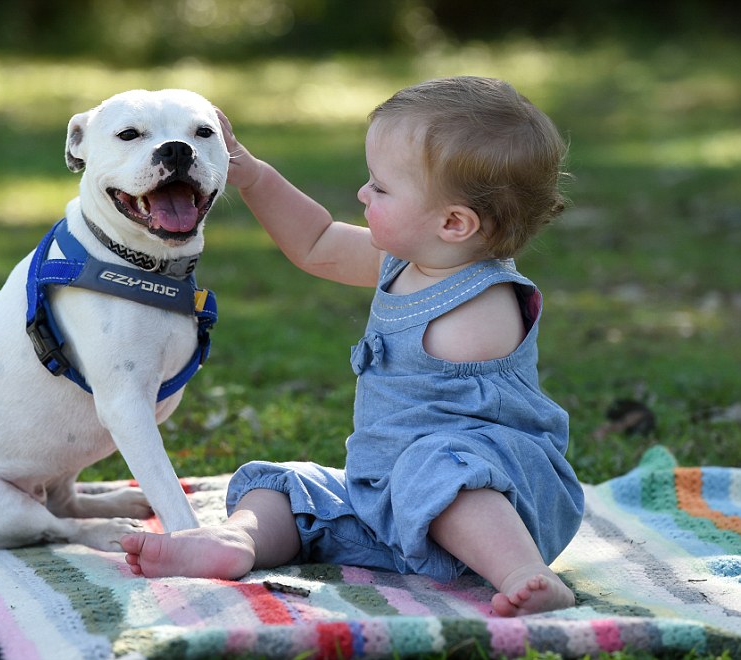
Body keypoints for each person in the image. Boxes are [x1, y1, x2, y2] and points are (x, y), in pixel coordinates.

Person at [120, 76, 585, 617]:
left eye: (381, 188)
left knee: (440, 469)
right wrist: (252, 176)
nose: (363, 194)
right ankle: (237, 542)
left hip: (497, 497)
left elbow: (467, 432)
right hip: (382, 502)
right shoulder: (408, 261)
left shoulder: (484, 304)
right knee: (285, 487)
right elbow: (316, 243)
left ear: (453, 223)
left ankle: (522, 572)